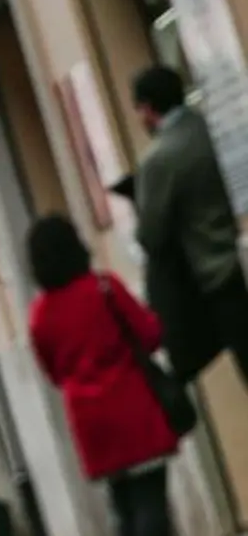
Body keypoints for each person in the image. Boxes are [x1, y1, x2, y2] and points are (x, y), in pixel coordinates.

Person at [26, 213, 180, 536]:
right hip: (132, 408)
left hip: (90, 422)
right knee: (151, 503)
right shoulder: (103, 288)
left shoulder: (40, 316)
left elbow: (53, 372)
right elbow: (149, 334)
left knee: (123, 509)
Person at [130, 64, 248, 382]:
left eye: (139, 110)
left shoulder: (160, 158)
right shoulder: (208, 128)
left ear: (149, 108)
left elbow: (151, 234)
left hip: (215, 277)